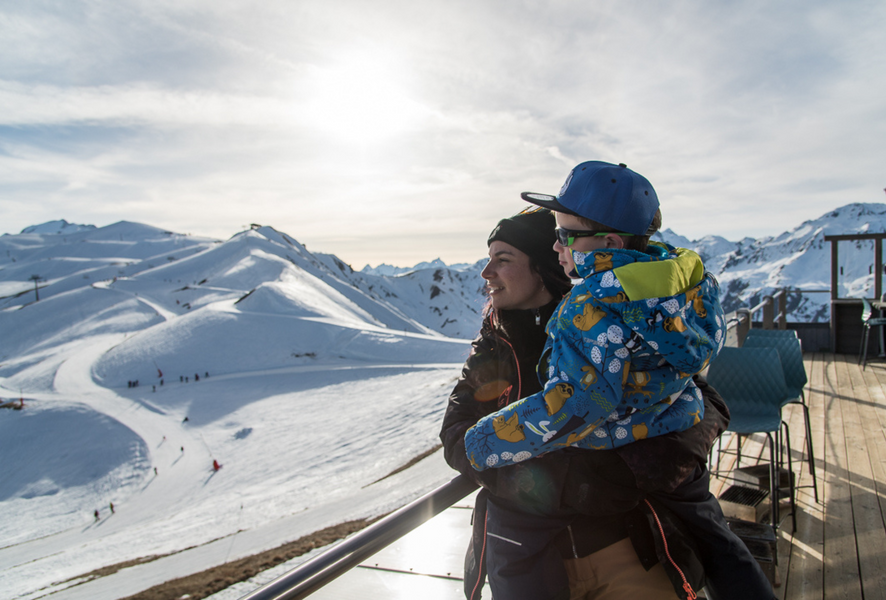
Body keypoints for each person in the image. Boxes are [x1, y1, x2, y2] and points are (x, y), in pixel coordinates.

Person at [442, 171, 772, 599]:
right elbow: (456, 430)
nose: (486, 272)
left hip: (630, 548)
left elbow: (587, 404)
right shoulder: (496, 345)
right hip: (532, 554)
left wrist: (634, 467)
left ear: (544, 265)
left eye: (503, 258)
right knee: (727, 555)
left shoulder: (592, 315)